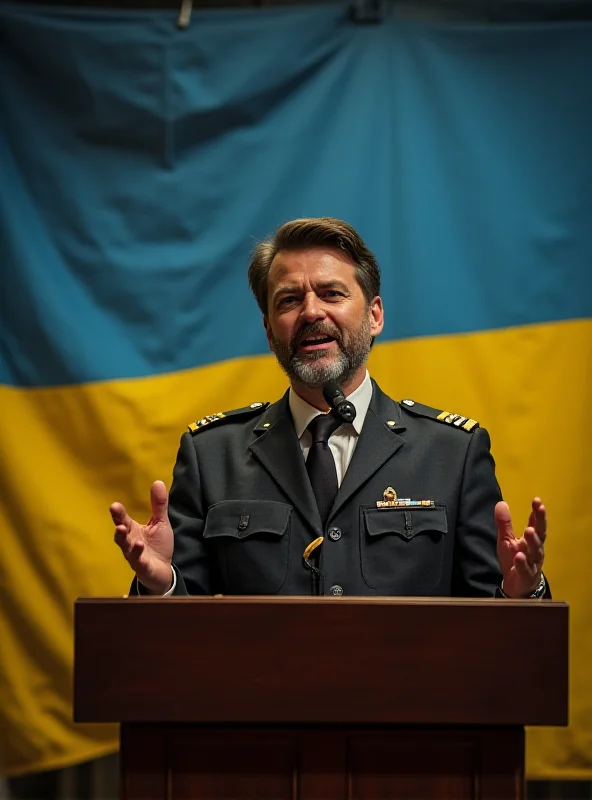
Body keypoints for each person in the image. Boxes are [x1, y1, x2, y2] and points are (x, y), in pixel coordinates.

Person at [111, 217, 549, 599]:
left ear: (374, 315)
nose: (310, 312)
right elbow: (176, 646)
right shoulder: (211, 455)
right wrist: (162, 584)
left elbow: (500, 640)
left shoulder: (453, 453)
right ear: (269, 331)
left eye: (332, 294)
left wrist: (521, 593)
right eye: (288, 300)